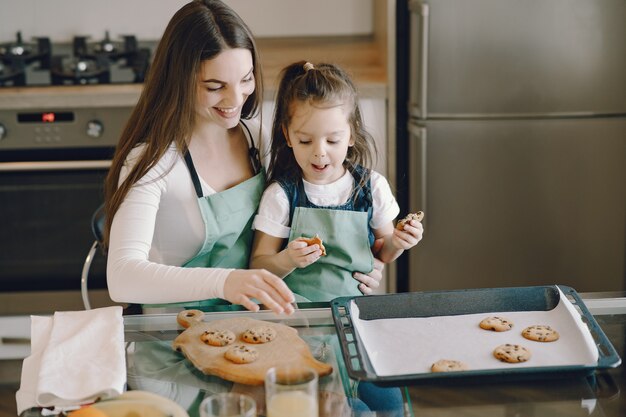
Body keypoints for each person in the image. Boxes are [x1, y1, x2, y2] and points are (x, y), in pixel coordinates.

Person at [250, 61, 424, 302]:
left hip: (356, 308)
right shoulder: (280, 195)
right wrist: (287, 259)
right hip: (296, 314)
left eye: (332, 141)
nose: (319, 152)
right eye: (305, 141)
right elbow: (258, 265)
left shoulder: (372, 187)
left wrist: (398, 241)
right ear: (287, 136)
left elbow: (382, 253)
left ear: (351, 135)